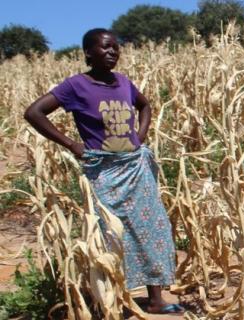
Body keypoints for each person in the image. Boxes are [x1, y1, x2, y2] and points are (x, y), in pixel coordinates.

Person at [24, 28, 183, 315]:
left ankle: (156, 298)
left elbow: (145, 105)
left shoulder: (123, 82)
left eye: (115, 48)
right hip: (102, 172)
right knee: (108, 233)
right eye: (105, 48)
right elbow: (34, 112)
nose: (112, 52)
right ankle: (112, 301)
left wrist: (140, 135)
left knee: (150, 228)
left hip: (134, 167)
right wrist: (71, 144)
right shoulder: (75, 86)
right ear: (88, 53)